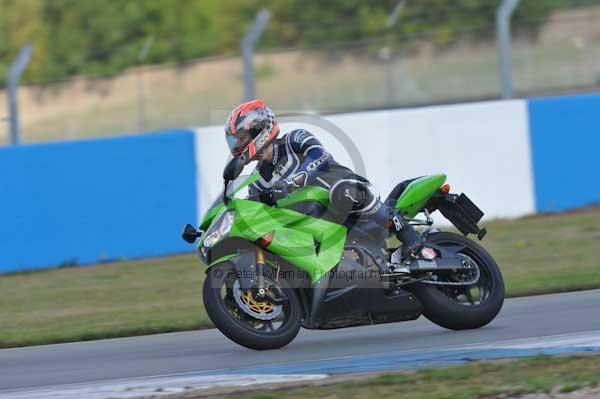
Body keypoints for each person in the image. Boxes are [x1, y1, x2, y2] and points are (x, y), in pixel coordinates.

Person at [224, 99, 422, 262]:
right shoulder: (256, 183)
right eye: (236, 140)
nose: (238, 145)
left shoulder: (294, 139)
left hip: (350, 196)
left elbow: (320, 158)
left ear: (259, 129)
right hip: (318, 227)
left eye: (241, 138)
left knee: (341, 191)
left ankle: (406, 231)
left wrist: (291, 182)